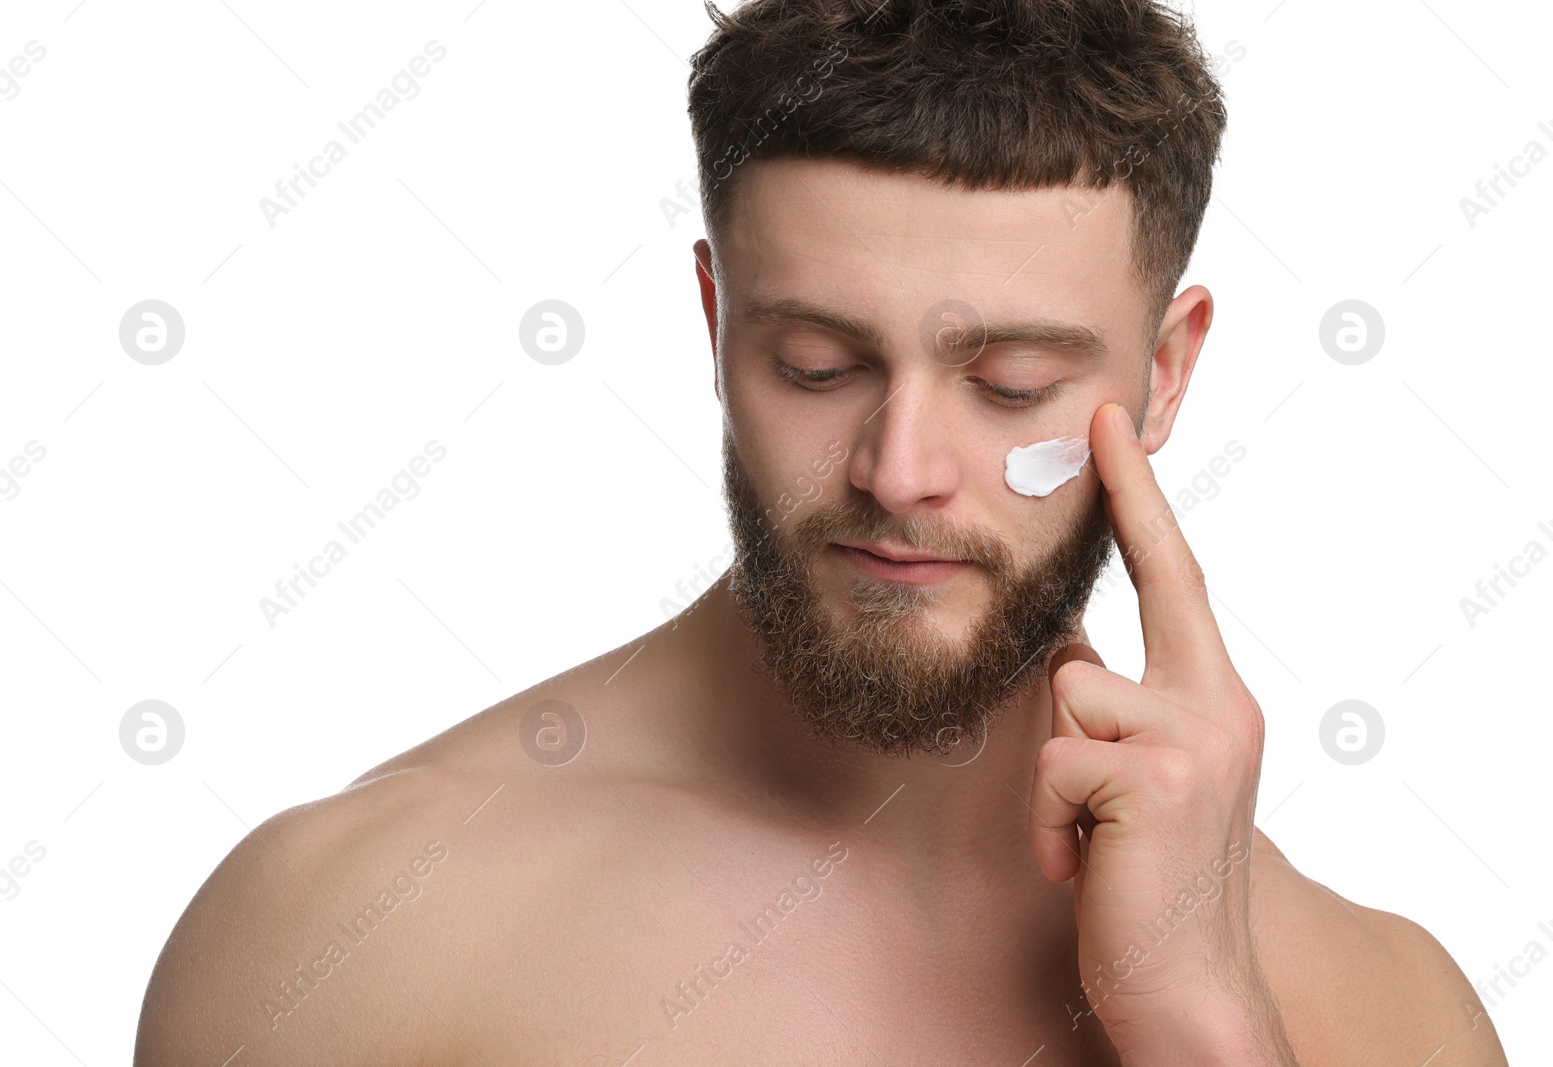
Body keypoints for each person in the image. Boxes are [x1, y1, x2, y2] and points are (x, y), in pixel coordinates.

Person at [135, 1, 1510, 1063]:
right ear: (715, 320)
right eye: (815, 363)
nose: (899, 470)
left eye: (1011, 387)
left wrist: (1206, 1022)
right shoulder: (356, 932)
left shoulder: (1377, 1012)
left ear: (1166, 374)